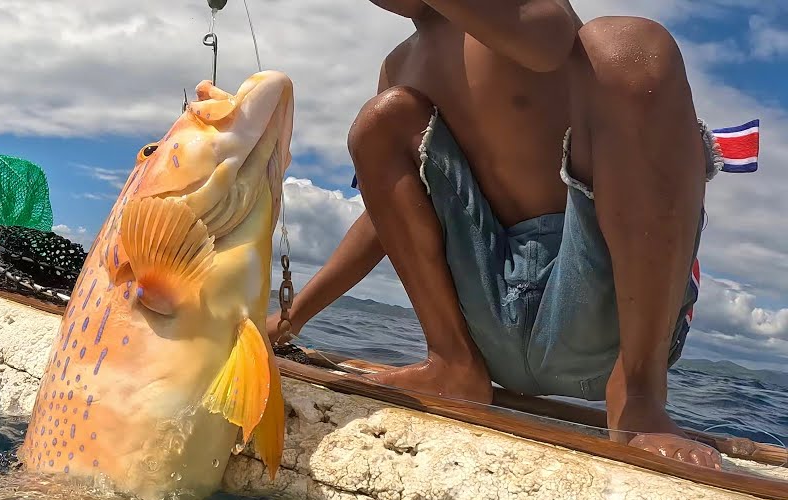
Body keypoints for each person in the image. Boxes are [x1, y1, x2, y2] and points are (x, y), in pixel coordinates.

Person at [267, 0, 724, 468]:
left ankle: (640, 393)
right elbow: (388, 214)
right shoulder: (397, 65)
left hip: (605, 318)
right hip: (487, 318)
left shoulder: (515, 10)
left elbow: (549, 42)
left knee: (627, 45)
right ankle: (452, 363)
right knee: (381, 119)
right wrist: (289, 319)